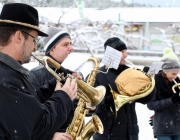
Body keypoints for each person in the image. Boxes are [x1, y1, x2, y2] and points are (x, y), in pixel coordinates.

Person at [0, 3, 77, 140]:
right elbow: (36, 127)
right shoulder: (6, 79)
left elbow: (26, 109)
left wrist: (53, 87)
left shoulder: (8, 72)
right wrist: (63, 97)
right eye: (33, 40)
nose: (35, 47)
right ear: (18, 37)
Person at [90, 37, 155, 140]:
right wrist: (108, 101)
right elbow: (89, 106)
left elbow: (146, 99)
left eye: (126, 51)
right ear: (111, 54)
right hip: (107, 136)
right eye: (122, 52)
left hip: (130, 134)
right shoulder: (98, 75)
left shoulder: (132, 72)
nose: (126, 55)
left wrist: (148, 80)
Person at [28, 27, 82, 139]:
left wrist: (89, 105)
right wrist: (50, 136)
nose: (71, 48)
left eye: (71, 44)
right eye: (65, 44)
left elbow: (77, 108)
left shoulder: (74, 72)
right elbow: (31, 119)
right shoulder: (35, 76)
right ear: (52, 50)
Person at [147, 58, 180, 140]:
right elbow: (151, 105)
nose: (175, 77)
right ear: (165, 71)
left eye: (177, 74)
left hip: (177, 126)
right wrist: (171, 100)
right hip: (163, 127)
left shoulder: (176, 82)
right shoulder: (155, 82)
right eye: (173, 74)